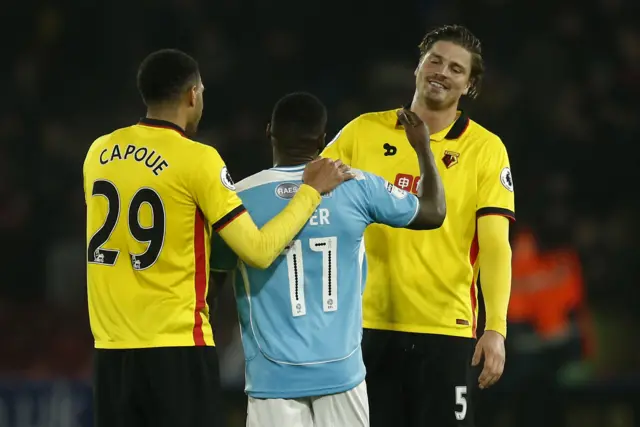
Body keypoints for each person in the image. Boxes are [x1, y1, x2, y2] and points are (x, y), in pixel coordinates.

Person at [83, 50, 352, 427]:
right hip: (175, 348)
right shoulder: (198, 159)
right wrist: (310, 191)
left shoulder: (98, 152)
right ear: (192, 95)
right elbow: (258, 250)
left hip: (110, 353)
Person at [209, 92, 446, 427]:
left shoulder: (238, 199)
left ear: (269, 133)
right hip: (343, 372)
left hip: (272, 379)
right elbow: (434, 211)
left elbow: (209, 291)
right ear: (322, 140)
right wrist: (422, 147)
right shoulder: (358, 186)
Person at [322, 25, 515, 426]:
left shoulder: (485, 149)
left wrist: (495, 327)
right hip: (365, 327)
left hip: (446, 329)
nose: (443, 72)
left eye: (457, 69)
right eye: (436, 61)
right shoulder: (362, 132)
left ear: (469, 85)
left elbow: (495, 245)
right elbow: (310, 198)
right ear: (418, 67)